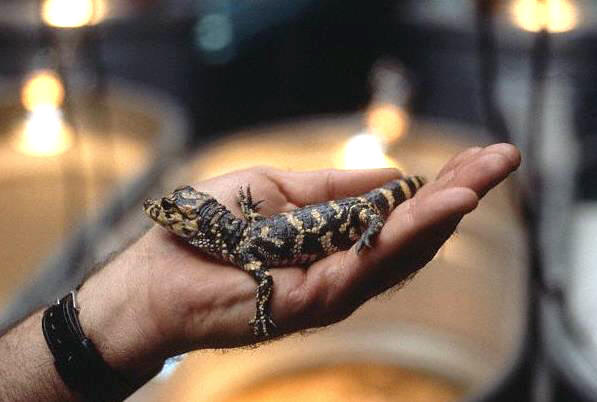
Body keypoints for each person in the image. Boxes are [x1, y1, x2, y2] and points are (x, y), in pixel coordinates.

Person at [0, 143, 521, 401]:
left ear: (200, 224)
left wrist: (262, 306)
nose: (161, 217)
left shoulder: (245, 249)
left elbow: (264, 279)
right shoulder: (237, 240)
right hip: (299, 224)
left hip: (347, 216)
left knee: (371, 207)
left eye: (175, 213)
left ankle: (399, 194)